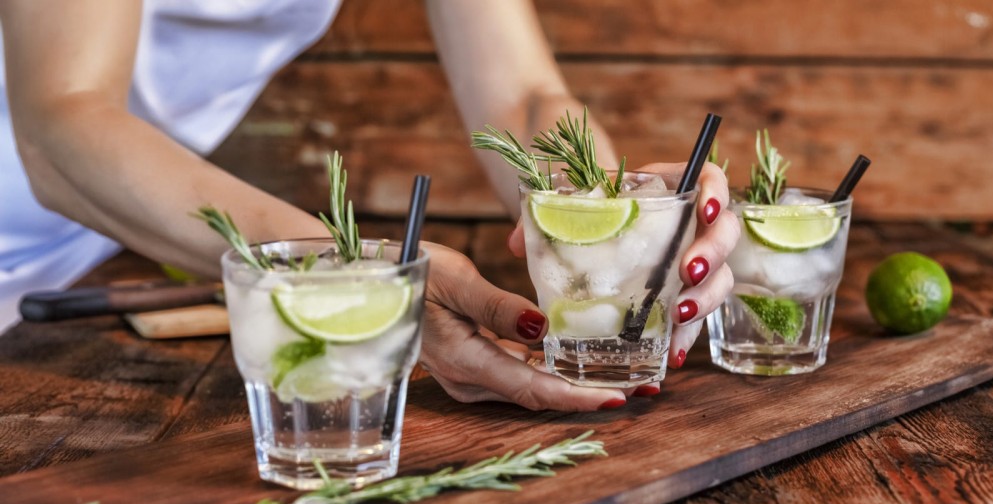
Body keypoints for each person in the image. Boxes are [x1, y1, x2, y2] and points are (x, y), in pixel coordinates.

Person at [0, 0, 738, 411]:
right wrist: (356, 269)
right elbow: (60, 120)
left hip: (72, 244)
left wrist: (615, 227)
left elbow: (517, 92)